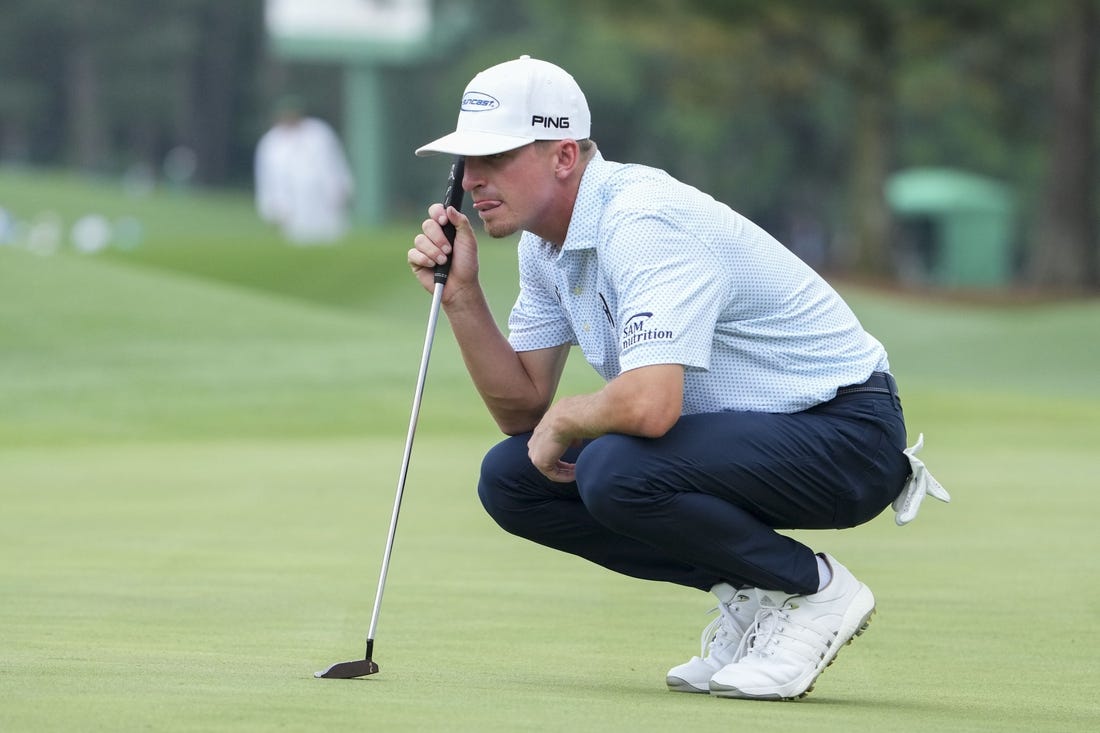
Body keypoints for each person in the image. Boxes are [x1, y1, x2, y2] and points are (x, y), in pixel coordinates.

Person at [408, 55, 948, 700]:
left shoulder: (642, 221)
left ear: (562, 156)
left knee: (615, 466)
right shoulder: (544, 244)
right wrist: (462, 296)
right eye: (466, 162)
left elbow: (651, 407)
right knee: (512, 478)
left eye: (494, 158)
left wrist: (569, 416)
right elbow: (523, 411)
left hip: (846, 436)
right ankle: (753, 592)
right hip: (754, 440)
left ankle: (814, 591)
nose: (470, 180)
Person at [254, 95, 354, 244]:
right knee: (298, 237)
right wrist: (271, 207)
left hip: (323, 196)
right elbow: (266, 178)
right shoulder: (271, 143)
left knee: (332, 235)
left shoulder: (319, 132)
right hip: (293, 201)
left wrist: (342, 187)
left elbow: (335, 163)